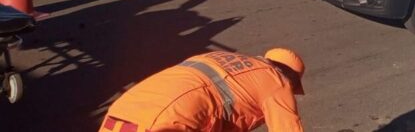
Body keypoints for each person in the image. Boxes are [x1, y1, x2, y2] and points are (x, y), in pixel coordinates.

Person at [98, 48, 306, 132]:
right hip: (171, 119)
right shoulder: (277, 82)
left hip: (125, 109)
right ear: (291, 77)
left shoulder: (222, 56)